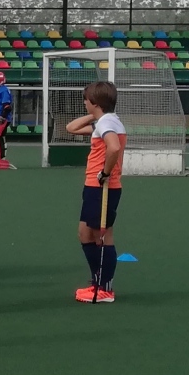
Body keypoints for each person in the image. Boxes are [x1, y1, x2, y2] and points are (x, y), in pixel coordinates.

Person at [68, 80, 126, 304]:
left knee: (102, 236)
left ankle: (105, 289)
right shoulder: (105, 120)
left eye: (86, 100)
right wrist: (95, 115)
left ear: (95, 102)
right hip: (94, 186)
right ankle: (97, 282)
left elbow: (113, 147)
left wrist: (104, 172)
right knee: (85, 233)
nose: (84, 103)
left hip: (103, 186)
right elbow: (71, 128)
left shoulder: (107, 123)